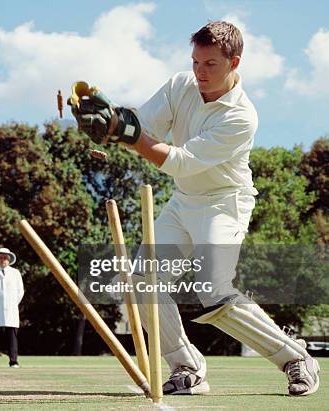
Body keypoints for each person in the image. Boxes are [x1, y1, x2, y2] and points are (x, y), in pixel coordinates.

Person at [69, 21, 320, 396]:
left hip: (225, 203)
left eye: (210, 65)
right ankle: (187, 368)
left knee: (214, 291)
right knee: (142, 282)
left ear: (235, 62)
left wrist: (126, 133)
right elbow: (145, 125)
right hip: (184, 200)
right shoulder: (180, 85)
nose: (199, 73)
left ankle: (296, 357)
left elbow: (180, 160)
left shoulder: (240, 116)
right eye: (196, 62)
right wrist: (112, 123)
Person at [0, 247, 24, 368]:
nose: (3, 260)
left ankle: (13, 361)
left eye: (5, 257)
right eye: (0, 257)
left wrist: (12, 304)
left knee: (12, 337)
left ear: (9, 259)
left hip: (11, 310)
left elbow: (20, 291)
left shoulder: (15, 273)